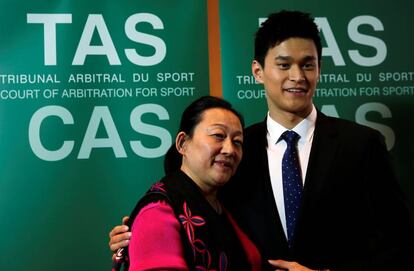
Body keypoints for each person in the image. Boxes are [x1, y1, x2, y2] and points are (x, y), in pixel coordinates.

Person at [109, 10, 414, 271]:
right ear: (258, 71)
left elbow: (400, 246)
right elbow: (191, 210)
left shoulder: (361, 144)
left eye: (308, 64)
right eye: (283, 65)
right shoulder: (236, 152)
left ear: (320, 69)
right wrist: (136, 233)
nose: (297, 76)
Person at [113, 96, 261, 271]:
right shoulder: (158, 210)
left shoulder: (227, 205)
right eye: (218, 136)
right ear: (183, 143)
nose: (230, 150)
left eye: (237, 142)